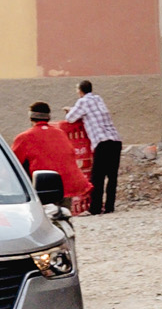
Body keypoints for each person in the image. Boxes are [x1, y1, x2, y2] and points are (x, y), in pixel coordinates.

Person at [60, 79, 122, 214]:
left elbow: (70, 118)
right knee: (112, 176)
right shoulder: (98, 99)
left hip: (101, 141)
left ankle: (95, 208)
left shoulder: (82, 101)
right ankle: (110, 207)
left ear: (80, 91)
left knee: (97, 177)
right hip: (115, 140)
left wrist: (69, 110)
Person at [12, 100, 91, 204]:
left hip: (44, 189)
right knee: (64, 213)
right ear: (48, 117)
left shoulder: (24, 137)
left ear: (31, 117)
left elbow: (12, 163)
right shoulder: (60, 133)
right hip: (67, 186)